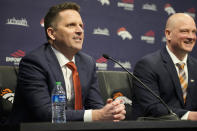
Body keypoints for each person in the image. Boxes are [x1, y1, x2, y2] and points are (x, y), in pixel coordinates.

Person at [9, 2, 126, 124]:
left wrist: (110, 112)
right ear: (51, 33)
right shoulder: (34, 62)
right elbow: (45, 113)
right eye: (71, 25)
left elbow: (95, 107)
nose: (80, 30)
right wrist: (96, 115)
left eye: (81, 26)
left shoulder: (87, 63)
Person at [131, 13, 197, 120]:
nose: (191, 37)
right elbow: (152, 107)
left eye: (194, 32)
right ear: (168, 34)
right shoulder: (147, 65)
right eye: (184, 31)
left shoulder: (195, 67)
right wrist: (189, 115)